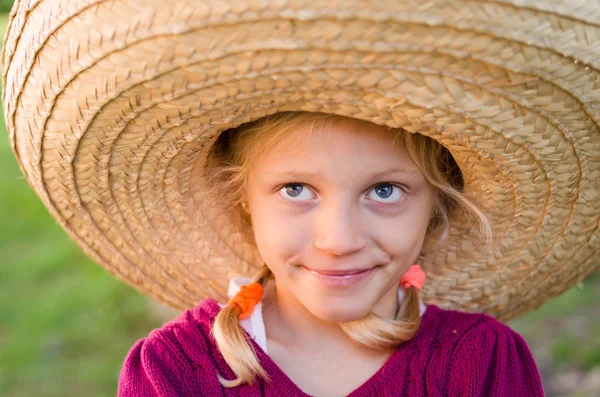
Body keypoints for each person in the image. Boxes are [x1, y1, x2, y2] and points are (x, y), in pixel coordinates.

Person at [2, 0, 599, 396]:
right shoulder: (175, 373)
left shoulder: (482, 365)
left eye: (385, 190)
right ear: (244, 201)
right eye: (296, 189)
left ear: (435, 208)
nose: (337, 239)